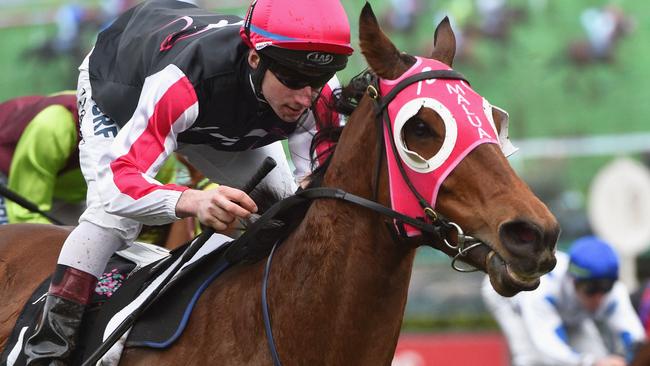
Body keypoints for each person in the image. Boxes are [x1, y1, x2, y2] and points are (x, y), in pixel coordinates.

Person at [23, 0, 352, 363]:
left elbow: (316, 189)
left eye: (317, 81)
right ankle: (49, 344)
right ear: (256, 59)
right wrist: (195, 201)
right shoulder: (180, 83)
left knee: (280, 207)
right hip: (123, 92)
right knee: (111, 218)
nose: (305, 98)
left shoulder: (316, 91)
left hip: (213, 107)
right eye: (291, 79)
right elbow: (119, 184)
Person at [0, 92, 177, 226]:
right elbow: (23, 216)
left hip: (59, 185)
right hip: (9, 173)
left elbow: (159, 211)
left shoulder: (156, 150)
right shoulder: (54, 127)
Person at [482, 236, 646, 366]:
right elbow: (547, 344)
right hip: (508, 300)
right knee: (532, 358)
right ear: (573, 280)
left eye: (606, 288)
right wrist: (590, 362)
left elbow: (636, 339)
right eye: (591, 289)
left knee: (598, 355)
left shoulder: (616, 293)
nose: (598, 298)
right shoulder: (544, 289)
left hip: (570, 312)